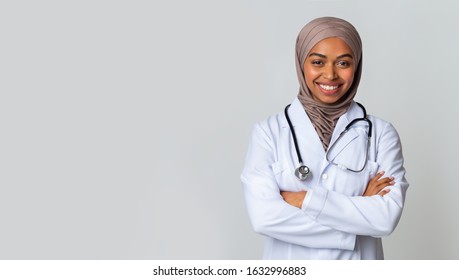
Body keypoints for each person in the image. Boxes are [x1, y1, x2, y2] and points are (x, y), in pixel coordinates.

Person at [241, 17, 409, 260]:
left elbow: (385, 218)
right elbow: (264, 218)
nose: (330, 74)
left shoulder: (381, 134)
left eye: (343, 63)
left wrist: (304, 200)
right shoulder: (268, 132)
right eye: (318, 62)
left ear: (357, 66)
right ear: (301, 63)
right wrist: (358, 213)